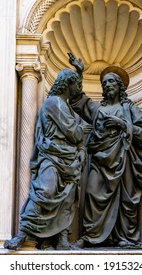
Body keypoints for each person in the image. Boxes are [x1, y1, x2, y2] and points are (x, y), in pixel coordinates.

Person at [68, 54, 142, 248]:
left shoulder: (129, 109)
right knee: (91, 193)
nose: (107, 86)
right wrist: (79, 73)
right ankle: (90, 236)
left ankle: (124, 237)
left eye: (111, 82)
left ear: (119, 85)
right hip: (99, 159)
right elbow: (77, 100)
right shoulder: (98, 110)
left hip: (123, 160)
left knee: (126, 200)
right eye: (104, 83)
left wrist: (122, 124)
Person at [4, 68, 86, 250]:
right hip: (52, 155)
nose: (79, 88)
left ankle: (62, 239)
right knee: (45, 190)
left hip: (69, 159)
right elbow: (74, 132)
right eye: (76, 84)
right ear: (67, 84)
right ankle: (22, 234)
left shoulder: (67, 108)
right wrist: (80, 129)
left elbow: (75, 132)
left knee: (67, 198)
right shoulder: (53, 102)